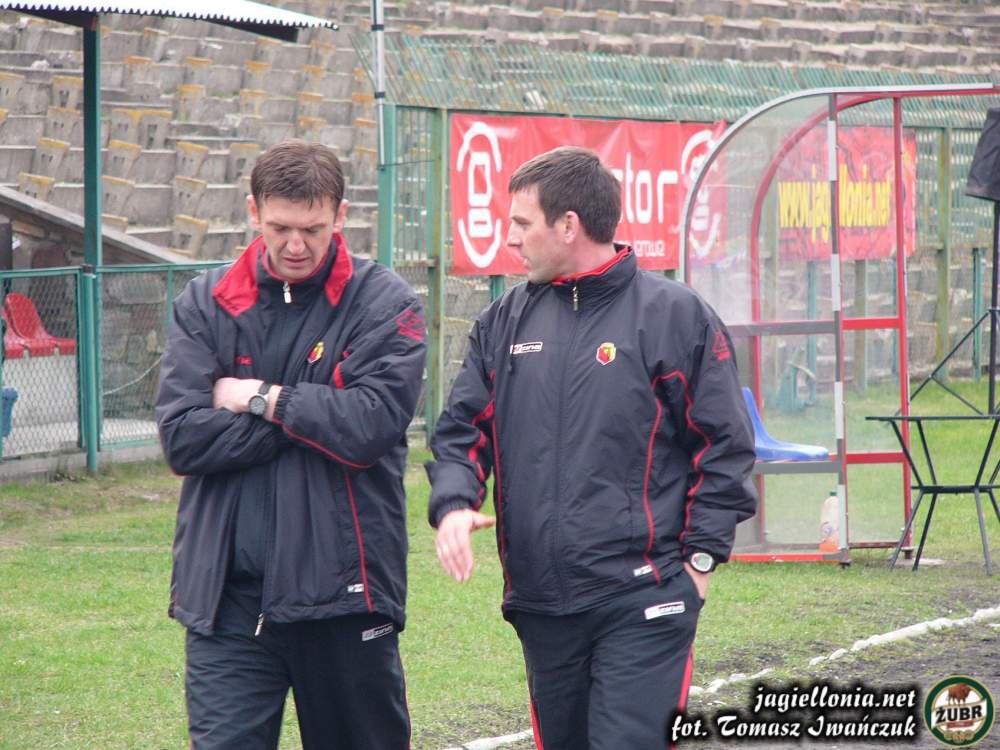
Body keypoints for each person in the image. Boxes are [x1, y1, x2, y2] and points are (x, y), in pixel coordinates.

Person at [427, 146, 757, 749]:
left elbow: (724, 446)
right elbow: (461, 432)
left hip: (645, 596)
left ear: (568, 225)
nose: (510, 238)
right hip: (541, 605)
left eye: (522, 223)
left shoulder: (674, 315)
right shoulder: (502, 323)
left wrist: (701, 562)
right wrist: (452, 504)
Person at [155, 140, 425, 750]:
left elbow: (369, 427)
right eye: (280, 228)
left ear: (341, 215)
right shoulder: (206, 302)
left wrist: (258, 397)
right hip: (227, 601)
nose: (296, 245)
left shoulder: (385, 304)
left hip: (344, 597)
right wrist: (312, 413)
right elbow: (184, 438)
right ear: (254, 211)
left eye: (312, 229)